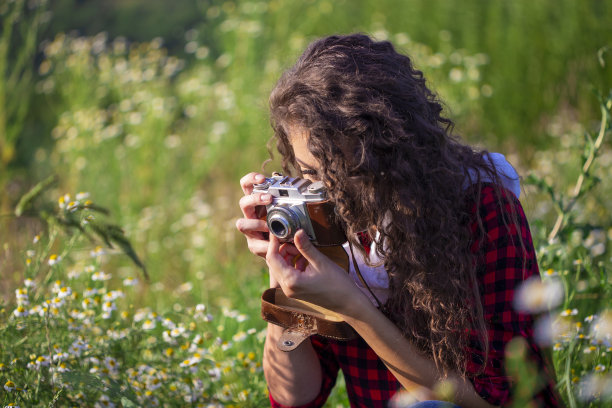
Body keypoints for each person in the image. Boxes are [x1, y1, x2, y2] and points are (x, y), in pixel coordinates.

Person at [236, 33, 560, 408]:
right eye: (310, 173)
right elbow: (295, 397)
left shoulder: (482, 211)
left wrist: (353, 308)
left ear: (397, 153)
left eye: (349, 172)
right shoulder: (324, 225)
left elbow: (496, 401)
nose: (332, 193)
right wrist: (282, 280)